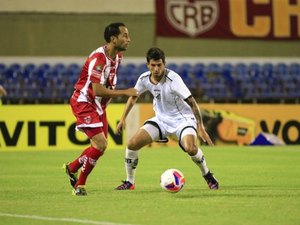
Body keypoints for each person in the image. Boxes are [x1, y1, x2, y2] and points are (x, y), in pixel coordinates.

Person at [115, 47, 219, 190]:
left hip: (183, 120)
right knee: (132, 144)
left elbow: (192, 102)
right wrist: (122, 119)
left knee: (190, 148)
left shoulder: (174, 79)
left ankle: (207, 175)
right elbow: (133, 98)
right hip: (161, 120)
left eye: (159, 65)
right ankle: (130, 182)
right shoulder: (144, 79)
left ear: (164, 64)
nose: (156, 68)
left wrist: (200, 127)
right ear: (148, 65)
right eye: (153, 65)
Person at [63, 22, 139, 196]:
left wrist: (105, 104)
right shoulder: (98, 59)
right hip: (84, 102)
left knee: (100, 148)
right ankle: (79, 186)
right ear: (113, 39)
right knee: (101, 144)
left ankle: (72, 167)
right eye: (125, 35)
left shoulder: (118, 56)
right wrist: (125, 92)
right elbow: (97, 89)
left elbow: (108, 82)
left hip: (98, 105)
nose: (128, 39)